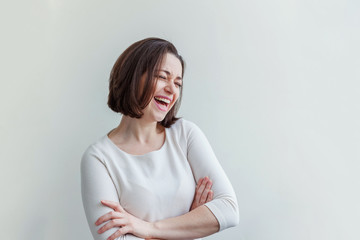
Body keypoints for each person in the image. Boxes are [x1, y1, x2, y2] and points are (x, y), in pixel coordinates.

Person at [81, 37, 239, 240]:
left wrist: (147, 229)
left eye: (178, 83)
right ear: (133, 77)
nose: (172, 90)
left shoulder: (185, 134)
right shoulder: (98, 158)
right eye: (163, 77)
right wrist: (189, 224)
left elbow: (229, 209)